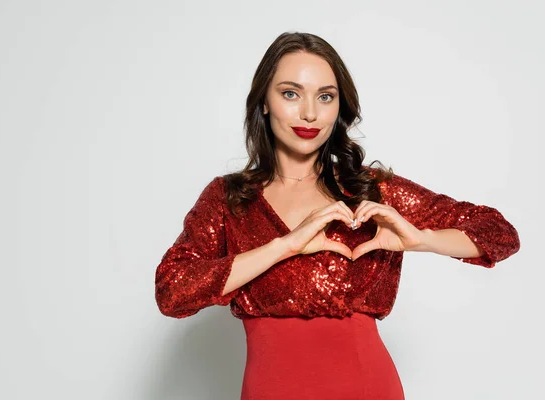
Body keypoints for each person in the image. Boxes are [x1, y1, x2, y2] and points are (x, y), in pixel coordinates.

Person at [154, 32, 521, 400]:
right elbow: (173, 291)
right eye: (290, 93)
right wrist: (287, 245)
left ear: (338, 106)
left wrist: (422, 239)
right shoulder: (230, 199)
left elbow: (499, 234)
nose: (310, 113)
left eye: (325, 96)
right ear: (264, 101)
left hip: (367, 386)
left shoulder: (370, 190)